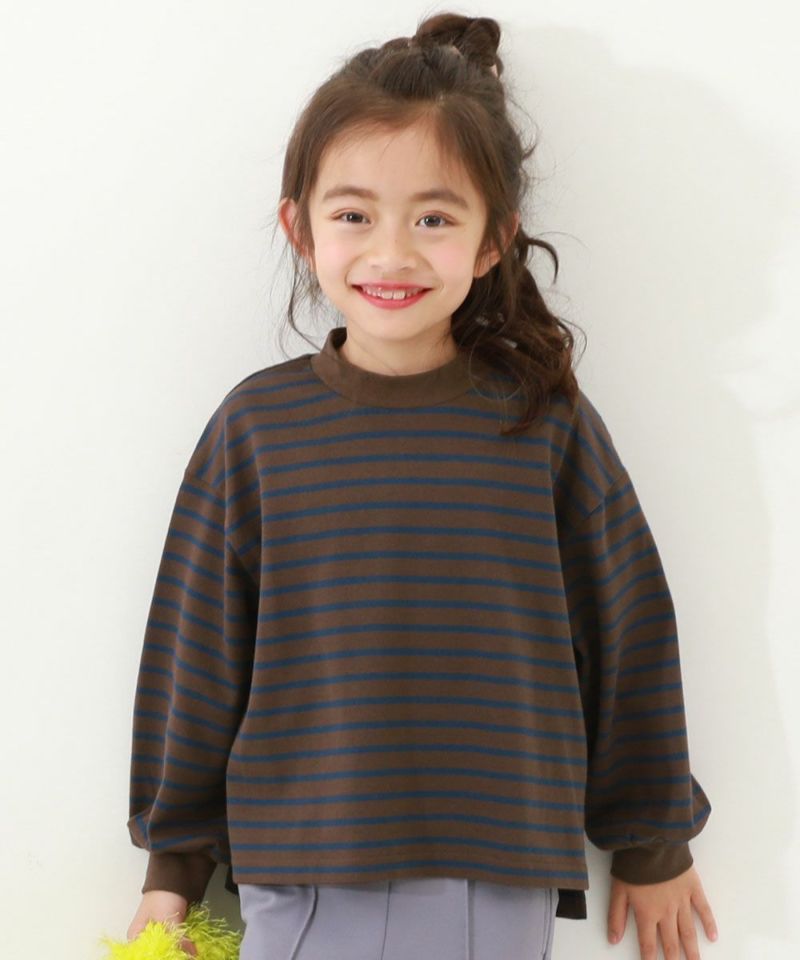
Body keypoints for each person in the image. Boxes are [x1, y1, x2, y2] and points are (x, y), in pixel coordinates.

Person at [125, 12, 719, 960]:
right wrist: (171, 877)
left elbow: (627, 628)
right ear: (300, 227)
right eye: (353, 215)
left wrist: (652, 842)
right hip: (302, 867)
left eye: (434, 218)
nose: (392, 254)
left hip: (496, 861)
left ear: (493, 241)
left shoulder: (544, 424)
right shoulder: (256, 430)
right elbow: (196, 658)